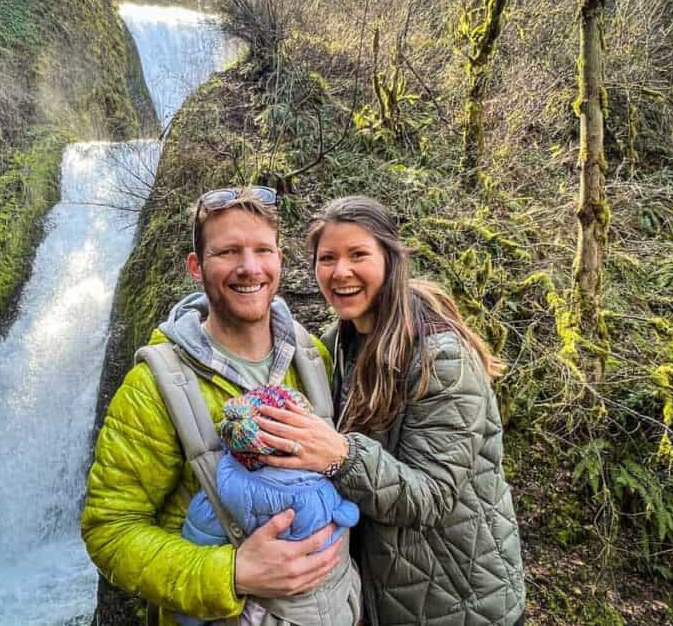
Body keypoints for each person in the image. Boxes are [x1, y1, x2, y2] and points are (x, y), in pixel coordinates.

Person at [80, 187, 354, 626]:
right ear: (196, 267)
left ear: (279, 261)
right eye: (228, 252)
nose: (249, 267)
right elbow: (109, 530)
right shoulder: (152, 386)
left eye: (262, 250)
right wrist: (230, 573)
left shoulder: (313, 358)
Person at [252, 196, 526, 626]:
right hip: (385, 596)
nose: (340, 272)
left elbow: (430, 497)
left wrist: (342, 455)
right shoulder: (338, 344)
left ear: (390, 260)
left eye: (358, 255)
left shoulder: (440, 359)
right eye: (327, 258)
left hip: (458, 602)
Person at [177, 386, 361, 626]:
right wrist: (235, 575)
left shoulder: (220, 487)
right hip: (328, 605)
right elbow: (348, 513)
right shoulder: (316, 486)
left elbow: (199, 532)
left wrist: (193, 610)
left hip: (257, 614)